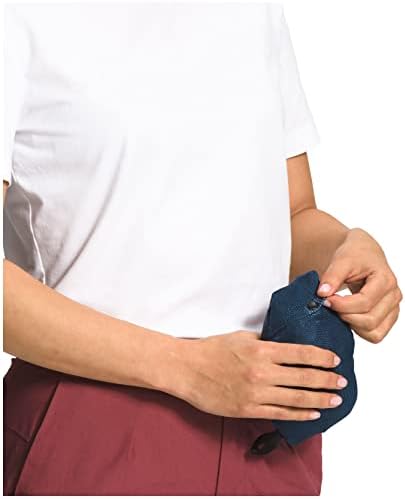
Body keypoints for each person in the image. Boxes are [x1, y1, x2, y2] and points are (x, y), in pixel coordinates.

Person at [3, 2, 401, 496]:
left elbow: (293, 214)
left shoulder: (252, 12)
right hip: (96, 419)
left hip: (268, 421)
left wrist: (346, 248)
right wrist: (186, 368)